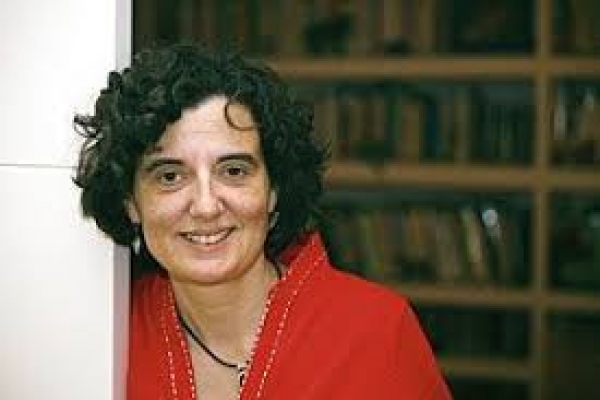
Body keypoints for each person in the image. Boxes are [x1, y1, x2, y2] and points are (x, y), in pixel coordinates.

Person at [74, 43, 452, 400]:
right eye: (170, 176)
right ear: (130, 202)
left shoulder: (377, 330)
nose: (206, 206)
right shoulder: (104, 331)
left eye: (234, 171)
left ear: (273, 190)